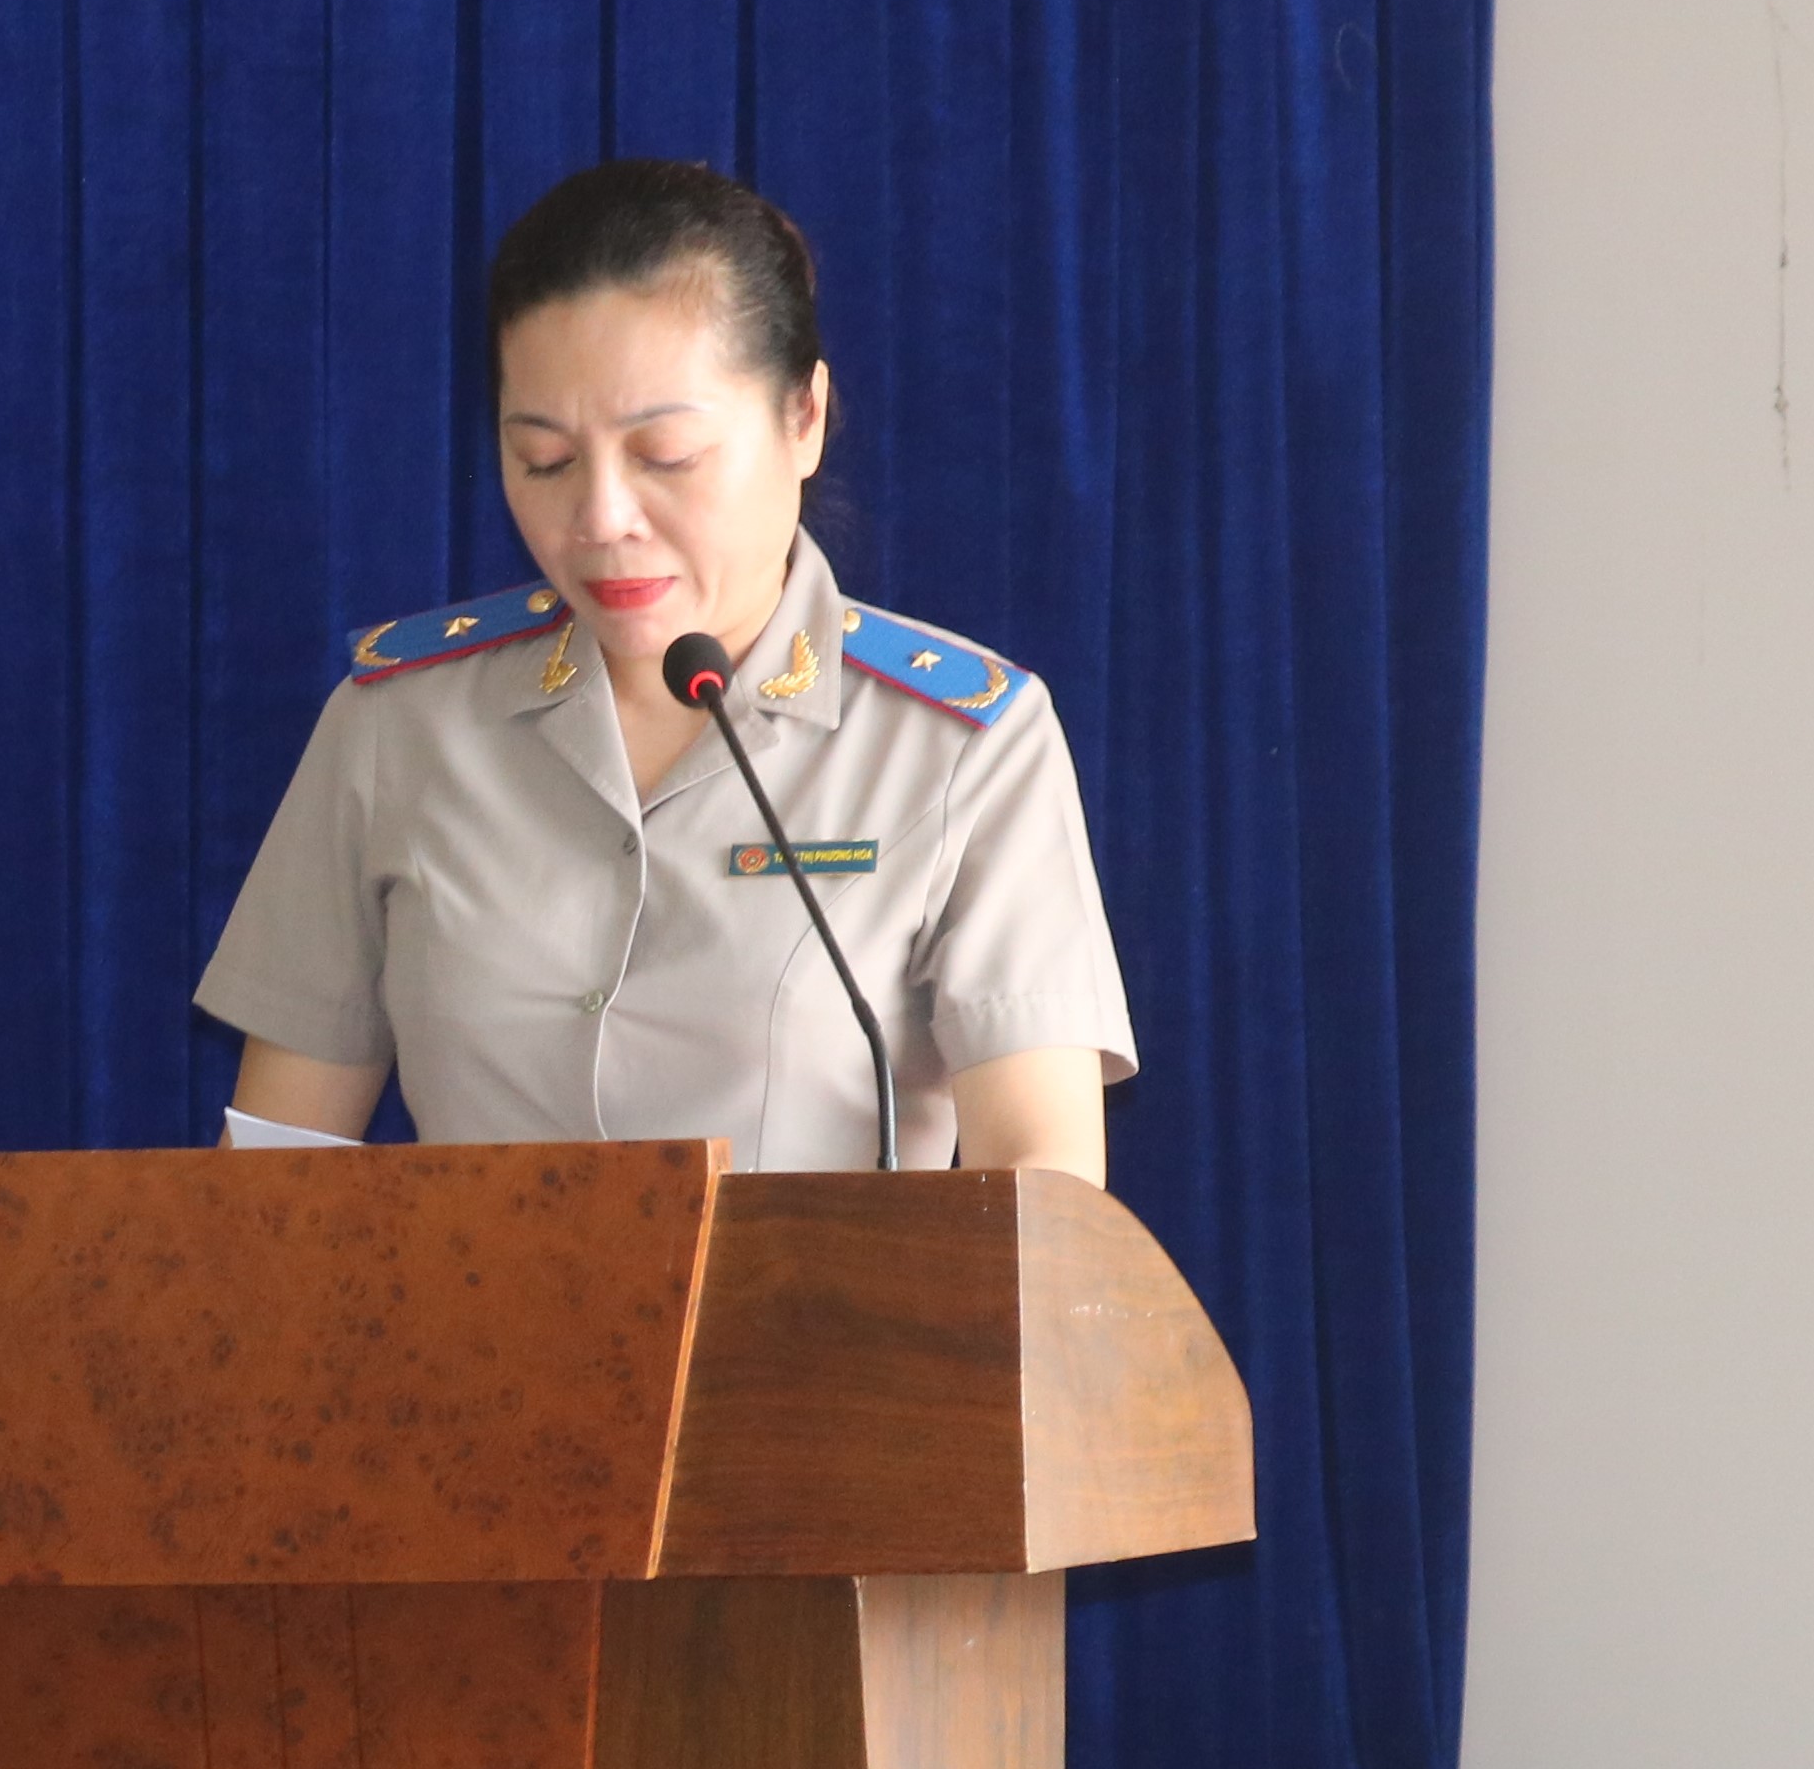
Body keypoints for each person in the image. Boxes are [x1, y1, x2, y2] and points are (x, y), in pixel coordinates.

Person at [194, 161, 1130, 1180]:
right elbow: (270, 1184)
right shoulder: (399, 724)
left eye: (667, 454)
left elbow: (1040, 1193)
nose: (601, 519)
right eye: (546, 461)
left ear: (804, 419)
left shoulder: (959, 747)